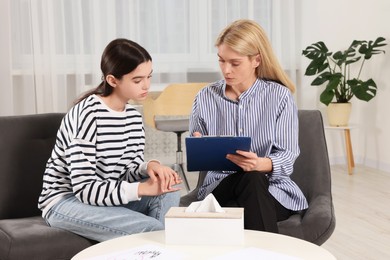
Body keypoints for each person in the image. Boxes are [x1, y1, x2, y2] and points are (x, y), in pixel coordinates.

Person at [38, 38, 182, 242]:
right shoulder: (87, 114)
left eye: (149, 76)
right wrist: (142, 188)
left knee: (169, 189)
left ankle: (153, 250)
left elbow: (126, 170)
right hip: (67, 201)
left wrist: (149, 167)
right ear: (113, 80)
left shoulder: (132, 115)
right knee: (151, 229)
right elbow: (85, 190)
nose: (147, 85)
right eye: (137, 80)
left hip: (105, 198)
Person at [189, 19, 308, 233]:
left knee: (252, 179)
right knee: (249, 184)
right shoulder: (205, 98)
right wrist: (199, 145)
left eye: (235, 63)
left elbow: (288, 156)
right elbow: (199, 157)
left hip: (272, 191)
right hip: (221, 189)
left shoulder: (280, 97)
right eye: (221, 61)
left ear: (256, 60)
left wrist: (259, 164)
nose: (226, 70)